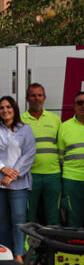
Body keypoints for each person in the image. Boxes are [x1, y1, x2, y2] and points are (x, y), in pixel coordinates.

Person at [0, 96, 36, 263]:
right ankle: (5, 253)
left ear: (15, 109)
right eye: (2, 108)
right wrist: (2, 169)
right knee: (1, 220)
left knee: (19, 219)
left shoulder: (25, 130)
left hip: (19, 183)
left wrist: (13, 174)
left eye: (8, 107)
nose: (5, 111)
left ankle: (18, 254)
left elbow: (30, 153)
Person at [21, 83, 61, 225]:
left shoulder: (55, 119)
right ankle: (27, 246)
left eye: (39, 95)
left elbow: (61, 147)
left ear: (44, 98)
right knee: (28, 215)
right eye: (33, 95)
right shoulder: (21, 121)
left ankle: (54, 246)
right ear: (27, 98)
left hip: (53, 175)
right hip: (30, 175)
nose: (36, 98)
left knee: (53, 215)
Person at [57, 92, 84, 228]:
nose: (83, 105)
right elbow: (60, 156)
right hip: (71, 179)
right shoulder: (65, 127)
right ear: (74, 106)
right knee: (74, 217)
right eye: (79, 102)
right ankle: (75, 248)